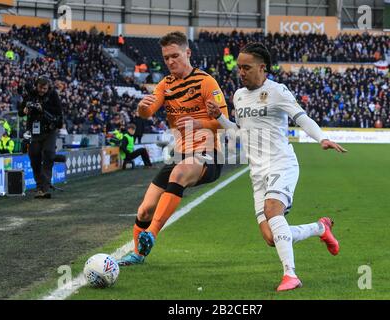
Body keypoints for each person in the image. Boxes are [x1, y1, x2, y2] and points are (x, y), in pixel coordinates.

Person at [206, 43, 347, 292]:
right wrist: (219, 117)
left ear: (263, 68)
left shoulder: (278, 91)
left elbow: (301, 117)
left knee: (273, 210)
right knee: (272, 238)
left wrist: (321, 138)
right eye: (239, 68)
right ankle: (320, 228)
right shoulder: (238, 96)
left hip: (281, 163)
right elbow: (240, 134)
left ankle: (290, 275)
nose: (241, 72)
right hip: (257, 173)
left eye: (246, 67)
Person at [118, 31, 229, 266]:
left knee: (178, 174)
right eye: (166, 58)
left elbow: (225, 123)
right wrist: (141, 109)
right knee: (144, 210)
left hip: (208, 155)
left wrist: (199, 123)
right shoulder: (164, 85)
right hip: (181, 156)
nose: (170, 62)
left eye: (175, 56)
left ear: (187, 53)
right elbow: (149, 111)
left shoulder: (206, 82)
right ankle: (138, 254)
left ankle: (152, 234)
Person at [18, 76, 63, 199]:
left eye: (44, 88)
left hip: (49, 131)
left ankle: (44, 187)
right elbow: (20, 111)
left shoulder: (53, 95)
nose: (42, 90)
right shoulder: (31, 94)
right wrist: (24, 109)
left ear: (48, 87)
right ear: (36, 85)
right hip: (34, 132)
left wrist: (43, 108)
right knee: (34, 157)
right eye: (40, 88)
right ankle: (39, 187)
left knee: (48, 153)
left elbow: (59, 111)